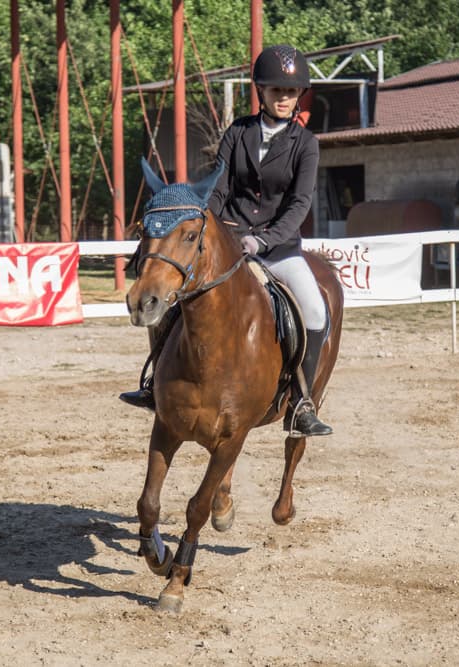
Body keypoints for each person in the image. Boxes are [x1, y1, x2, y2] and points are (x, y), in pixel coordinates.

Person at [120, 44, 333, 438]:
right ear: (261, 92)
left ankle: (302, 402)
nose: (283, 98)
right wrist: (212, 226)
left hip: (279, 248)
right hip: (231, 242)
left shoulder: (306, 145)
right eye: (275, 91)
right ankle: (155, 383)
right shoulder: (238, 133)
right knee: (172, 302)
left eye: (290, 92)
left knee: (316, 312)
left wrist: (265, 240)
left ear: (298, 95)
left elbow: (299, 204)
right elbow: (218, 190)